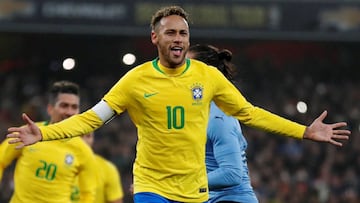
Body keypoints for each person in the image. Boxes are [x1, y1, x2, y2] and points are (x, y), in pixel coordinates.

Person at [7, 5, 350, 203]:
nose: (178, 39)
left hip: (194, 190)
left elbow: (250, 113)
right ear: (155, 38)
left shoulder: (206, 77)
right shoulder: (136, 80)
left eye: (183, 34)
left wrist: (304, 131)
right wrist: (46, 134)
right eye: (170, 33)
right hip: (152, 186)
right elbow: (91, 120)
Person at [0, 80, 97, 203]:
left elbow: (88, 194)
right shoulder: (27, 133)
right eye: (64, 105)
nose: (69, 112)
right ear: (50, 109)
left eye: (74, 107)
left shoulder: (83, 150)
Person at [187, 44, 258, 203]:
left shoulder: (218, 117)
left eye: (187, 66)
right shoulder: (193, 111)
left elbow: (231, 173)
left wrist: (182, 184)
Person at [71, 131, 124, 203]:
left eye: (88, 136)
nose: (83, 141)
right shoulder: (57, 162)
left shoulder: (107, 168)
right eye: (79, 136)